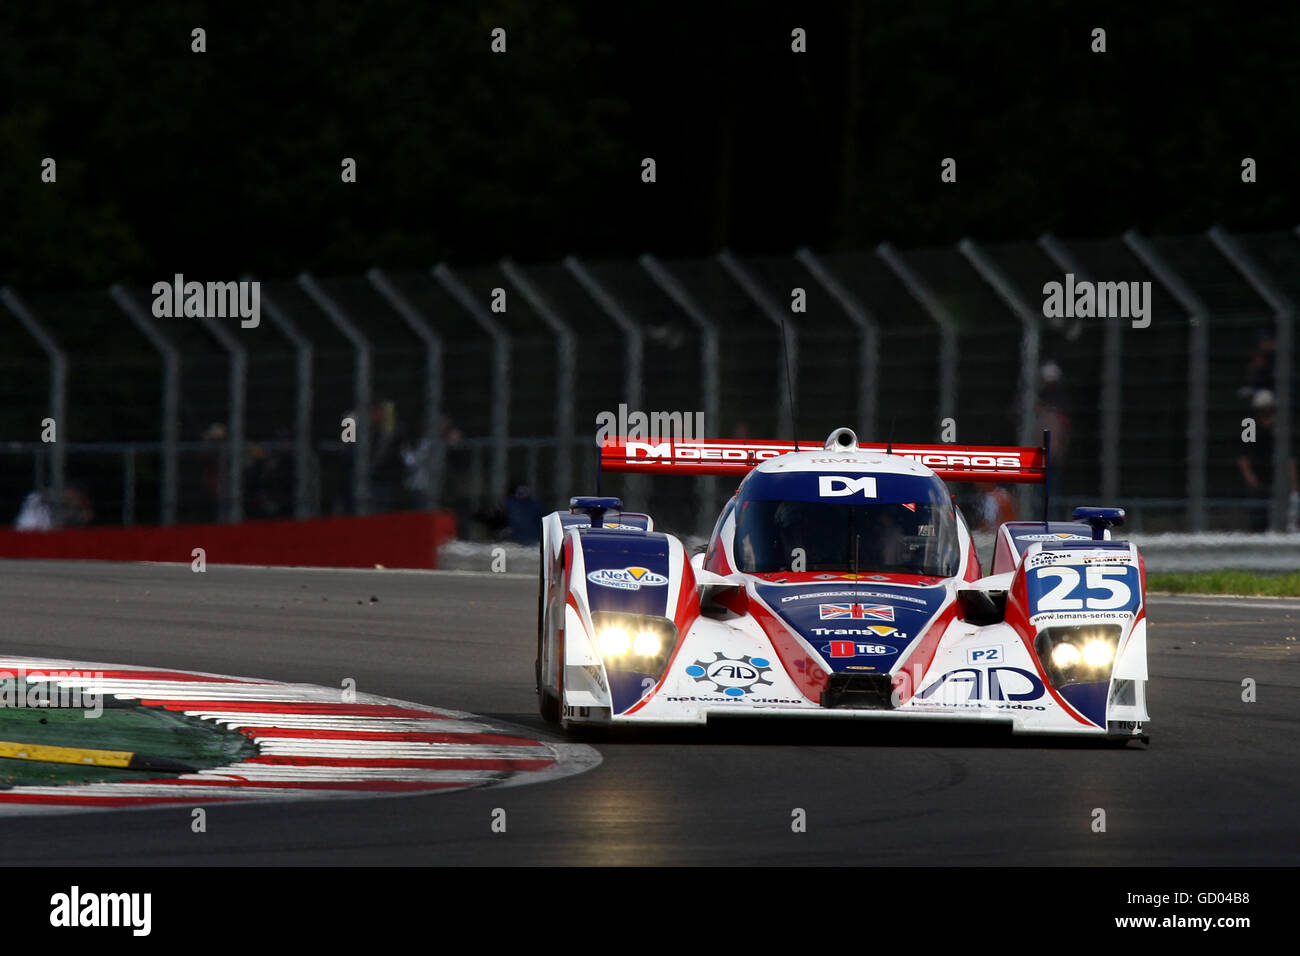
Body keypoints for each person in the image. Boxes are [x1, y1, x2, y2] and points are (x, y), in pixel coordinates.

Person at [1236, 390, 1298, 531]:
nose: (1266, 411)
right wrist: (1251, 479)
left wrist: (1293, 484)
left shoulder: (1280, 427)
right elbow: (1244, 456)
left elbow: (1290, 458)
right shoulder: (1250, 425)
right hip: (1258, 481)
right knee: (1258, 522)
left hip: (1278, 480)